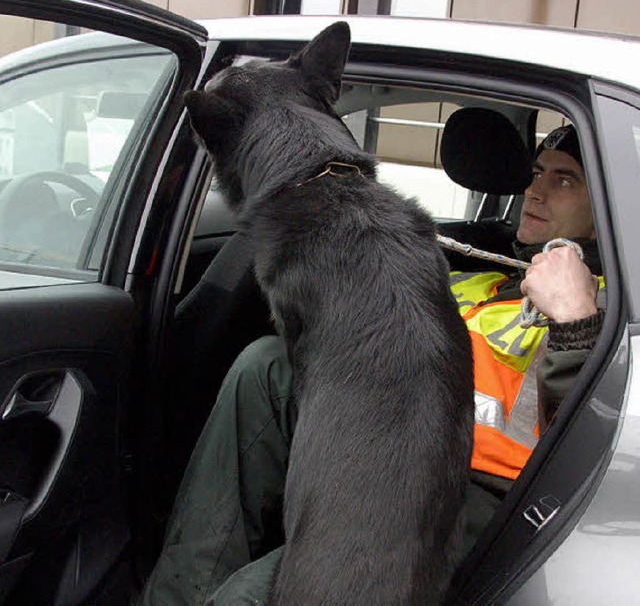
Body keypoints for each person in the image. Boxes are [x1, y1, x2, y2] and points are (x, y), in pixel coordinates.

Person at [139, 124, 604, 605]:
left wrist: (575, 322)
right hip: (391, 439)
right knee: (268, 367)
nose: (536, 190)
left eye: (565, 180)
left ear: (609, 211)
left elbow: (593, 444)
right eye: (537, 173)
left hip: (460, 497)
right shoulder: (488, 278)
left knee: (246, 600)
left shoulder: (600, 311)